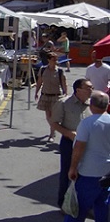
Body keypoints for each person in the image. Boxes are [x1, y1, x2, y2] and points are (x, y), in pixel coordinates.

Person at [66, 91, 110, 222]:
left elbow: (79, 147)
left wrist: (73, 168)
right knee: (102, 207)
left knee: (77, 210)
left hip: (88, 173)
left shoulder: (87, 123)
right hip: (107, 173)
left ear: (91, 105)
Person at [50, 78, 93, 208]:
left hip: (87, 144)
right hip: (70, 143)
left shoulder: (92, 104)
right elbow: (54, 123)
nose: (91, 90)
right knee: (67, 173)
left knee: (85, 174)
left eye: (92, 87)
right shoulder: (63, 103)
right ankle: (63, 203)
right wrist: (68, 133)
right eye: (88, 88)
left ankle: (81, 203)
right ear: (78, 90)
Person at [35, 52, 67, 142]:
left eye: (56, 59)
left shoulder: (60, 71)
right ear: (49, 60)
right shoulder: (43, 69)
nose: (55, 61)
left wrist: (65, 93)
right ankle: (54, 128)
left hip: (56, 96)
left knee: (53, 116)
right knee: (48, 116)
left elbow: (64, 83)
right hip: (45, 95)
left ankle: (52, 134)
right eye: (53, 59)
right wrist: (36, 92)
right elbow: (39, 82)